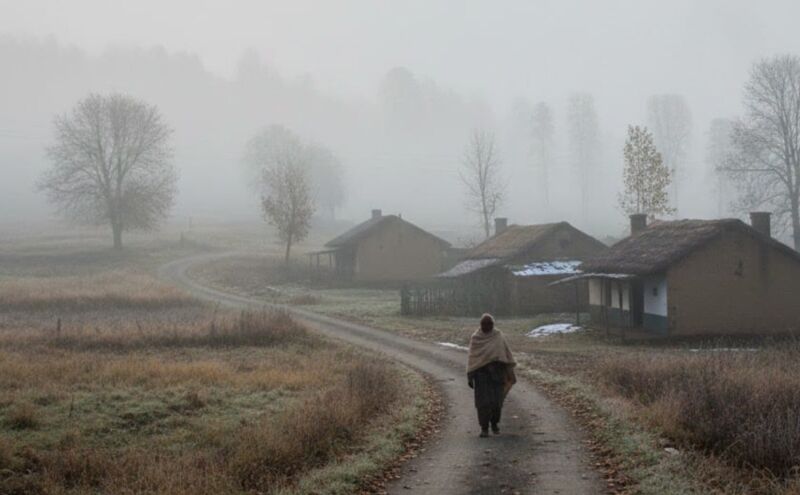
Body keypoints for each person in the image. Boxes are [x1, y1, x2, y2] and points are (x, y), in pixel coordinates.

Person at [466, 313, 517, 437]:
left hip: (497, 374)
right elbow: (472, 358)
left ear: (493, 324)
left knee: (496, 402)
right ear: (480, 324)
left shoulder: (498, 336)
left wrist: (509, 373)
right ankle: (484, 428)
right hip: (481, 376)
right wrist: (470, 376)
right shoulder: (476, 338)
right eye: (484, 324)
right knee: (482, 404)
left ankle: (494, 424)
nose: (487, 326)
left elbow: (506, 354)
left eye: (489, 324)